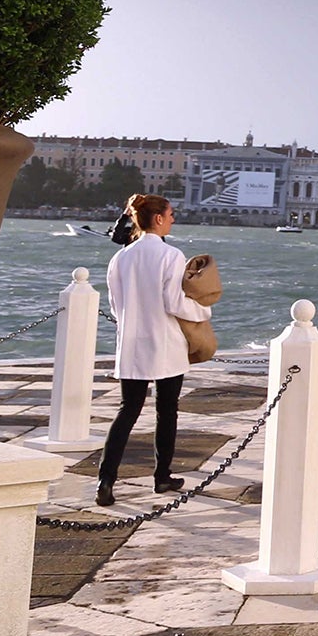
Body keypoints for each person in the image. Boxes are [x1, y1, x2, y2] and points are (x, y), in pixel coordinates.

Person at [97, 194, 211, 508]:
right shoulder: (171, 255)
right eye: (171, 214)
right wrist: (204, 312)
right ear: (158, 219)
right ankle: (162, 476)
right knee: (167, 410)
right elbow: (174, 303)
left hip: (132, 344)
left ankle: (105, 480)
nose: (174, 219)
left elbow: (115, 306)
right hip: (165, 344)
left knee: (127, 412)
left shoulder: (120, 257)